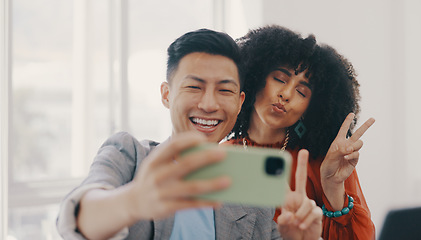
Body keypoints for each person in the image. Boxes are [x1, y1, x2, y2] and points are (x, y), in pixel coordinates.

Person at [56, 28, 322, 240]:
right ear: (166, 94)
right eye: (194, 87)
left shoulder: (249, 188)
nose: (209, 104)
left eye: (225, 90)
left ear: (240, 102)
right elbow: (79, 218)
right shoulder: (129, 154)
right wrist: (132, 202)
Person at [226, 25, 376, 240]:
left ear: (310, 109)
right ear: (255, 77)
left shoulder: (325, 162)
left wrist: (333, 189)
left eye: (301, 91)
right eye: (279, 79)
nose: (286, 94)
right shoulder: (223, 156)